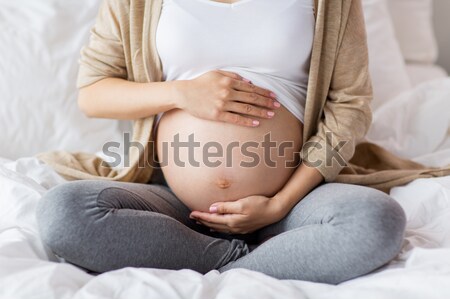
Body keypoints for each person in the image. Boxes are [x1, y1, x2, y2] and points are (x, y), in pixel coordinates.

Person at [36, 0, 406, 284]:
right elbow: (93, 93)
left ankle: (223, 260)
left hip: (292, 202)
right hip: (176, 205)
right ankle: (242, 261)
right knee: (63, 214)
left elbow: (350, 105)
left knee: (375, 221)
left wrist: (278, 204)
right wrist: (181, 94)